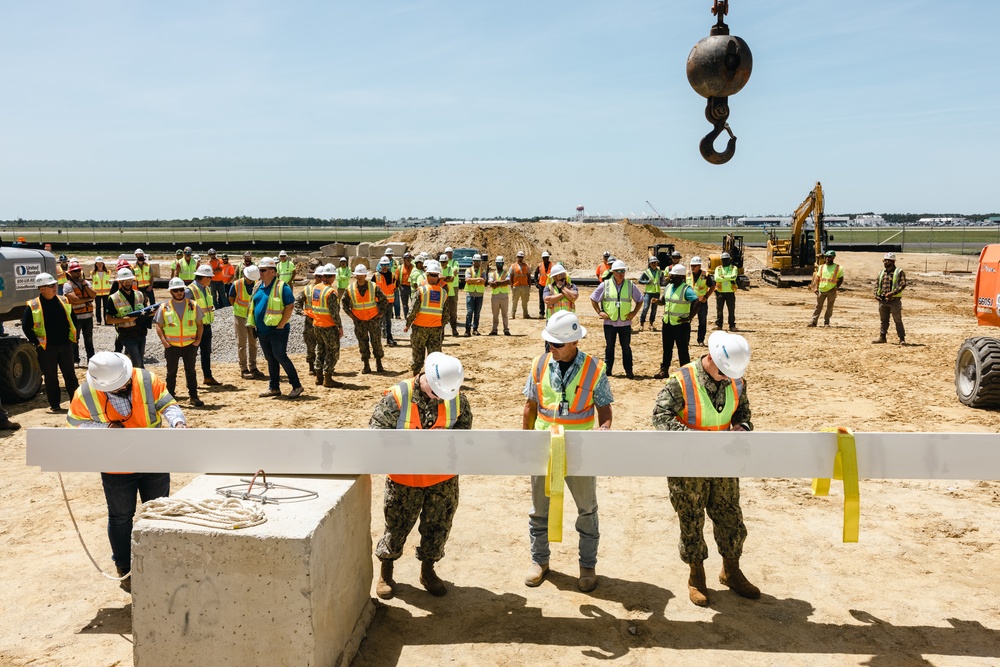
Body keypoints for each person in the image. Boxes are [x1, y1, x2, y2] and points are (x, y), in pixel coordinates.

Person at [652, 331, 760, 606]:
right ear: (710, 358)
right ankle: (696, 575)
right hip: (688, 465)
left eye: (730, 374)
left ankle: (730, 571)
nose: (727, 378)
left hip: (723, 462)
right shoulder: (681, 381)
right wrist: (693, 440)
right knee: (691, 519)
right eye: (723, 372)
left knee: (730, 516)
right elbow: (660, 417)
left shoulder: (736, 378)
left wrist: (742, 427)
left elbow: (743, 413)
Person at [67, 351, 187, 593]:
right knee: (121, 517)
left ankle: (159, 563)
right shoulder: (85, 394)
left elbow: (167, 404)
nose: (121, 389)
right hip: (116, 466)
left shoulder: (145, 379)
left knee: (158, 513)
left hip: (154, 459)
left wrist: (178, 422)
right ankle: (125, 568)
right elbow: (75, 423)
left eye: (122, 385)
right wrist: (104, 428)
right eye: (114, 388)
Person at [523, 311, 613, 592]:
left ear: (575, 341)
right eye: (549, 342)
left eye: (557, 344)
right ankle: (540, 561)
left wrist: (605, 430)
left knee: (587, 510)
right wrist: (525, 443)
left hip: (580, 451)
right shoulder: (539, 364)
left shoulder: (595, 369)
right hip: (544, 448)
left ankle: (587, 565)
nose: (551, 348)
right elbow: (530, 407)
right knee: (539, 510)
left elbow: (605, 408)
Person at [370, 352, 471, 599]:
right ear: (426, 377)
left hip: (442, 481)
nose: (440, 398)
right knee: (396, 528)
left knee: (438, 528)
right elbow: (375, 434)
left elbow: (465, 431)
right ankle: (387, 572)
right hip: (405, 481)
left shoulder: (456, 397)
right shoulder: (397, 396)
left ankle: (428, 571)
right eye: (436, 393)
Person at [247, 258, 304, 398]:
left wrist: (281, 325)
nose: (259, 272)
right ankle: (274, 387)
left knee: (280, 356)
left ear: (272, 272)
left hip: (277, 330)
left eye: (262, 270)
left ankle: (296, 386)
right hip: (262, 330)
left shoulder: (282, 287)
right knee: (270, 358)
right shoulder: (258, 286)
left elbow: (290, 306)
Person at [22, 272, 79, 413]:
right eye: (50, 285)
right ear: (42, 289)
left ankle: (77, 404)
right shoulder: (33, 306)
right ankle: (55, 405)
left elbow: (73, 319)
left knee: (71, 376)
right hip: (47, 348)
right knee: (51, 378)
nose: (54, 287)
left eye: (54, 285)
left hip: (65, 345)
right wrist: (36, 343)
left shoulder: (63, 301)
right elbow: (26, 327)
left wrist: (71, 339)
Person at [154, 277, 205, 407]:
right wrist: (164, 341)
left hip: (190, 345)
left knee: (191, 372)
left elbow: (200, 324)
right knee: (171, 373)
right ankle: (170, 398)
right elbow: (158, 325)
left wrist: (198, 340)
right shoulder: (164, 307)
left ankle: (194, 397)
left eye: (181, 290)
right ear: (171, 292)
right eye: (176, 290)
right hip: (172, 346)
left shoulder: (193, 305)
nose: (179, 292)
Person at [589, 260, 642, 378]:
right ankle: (608, 370)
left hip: (625, 323)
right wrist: (599, 312)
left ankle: (629, 371)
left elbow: (640, 299)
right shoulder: (605, 285)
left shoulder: (630, 285)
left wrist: (634, 312)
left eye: (623, 271)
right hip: (609, 323)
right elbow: (593, 298)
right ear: (613, 272)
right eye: (618, 271)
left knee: (626, 348)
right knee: (609, 347)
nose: (621, 273)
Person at [655, 264, 701, 379]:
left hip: (681, 325)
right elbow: (664, 301)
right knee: (667, 349)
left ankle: (686, 374)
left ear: (680, 277)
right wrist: (657, 302)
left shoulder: (686, 289)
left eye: (674, 276)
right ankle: (664, 370)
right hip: (668, 323)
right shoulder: (669, 287)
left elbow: (697, 302)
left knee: (683, 350)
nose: (670, 277)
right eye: (671, 275)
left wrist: (689, 317)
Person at [404, 260, 447, 375]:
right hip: (436, 329)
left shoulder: (421, 291)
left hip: (420, 328)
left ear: (427, 274)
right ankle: (433, 380)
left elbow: (413, 310)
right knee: (434, 357)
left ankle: (416, 379)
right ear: (438, 276)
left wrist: (408, 324)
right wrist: (440, 326)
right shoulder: (443, 293)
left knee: (418, 355)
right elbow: (446, 314)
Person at [343, 264, 388, 373]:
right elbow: (344, 303)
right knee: (363, 343)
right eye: (357, 275)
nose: (359, 277)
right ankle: (366, 365)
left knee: (376, 341)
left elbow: (384, 300)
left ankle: (379, 364)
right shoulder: (350, 289)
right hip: (359, 321)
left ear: (365, 275)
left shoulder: (373, 286)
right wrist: (351, 315)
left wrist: (381, 313)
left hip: (373, 319)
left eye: (361, 275)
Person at [106, 268, 150, 369]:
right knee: (138, 363)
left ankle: (134, 380)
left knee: (139, 360)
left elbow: (144, 312)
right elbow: (108, 319)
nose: (127, 283)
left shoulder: (139, 295)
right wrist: (124, 320)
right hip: (127, 335)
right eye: (124, 281)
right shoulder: (113, 298)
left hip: (141, 333)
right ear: (120, 282)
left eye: (129, 280)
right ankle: (139, 381)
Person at [229, 264, 265, 380]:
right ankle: (243, 368)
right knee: (242, 343)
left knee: (253, 342)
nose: (251, 281)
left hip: (252, 317)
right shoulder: (237, 284)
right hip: (240, 316)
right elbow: (231, 299)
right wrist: (238, 309)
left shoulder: (258, 284)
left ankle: (253, 367)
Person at [187, 265, 220, 386]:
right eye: (210, 277)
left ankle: (208, 377)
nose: (211, 279)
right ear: (204, 277)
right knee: (191, 355)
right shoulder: (190, 290)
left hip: (206, 326)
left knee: (206, 353)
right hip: (195, 328)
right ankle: (191, 381)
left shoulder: (206, 288)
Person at [311, 263, 343, 387]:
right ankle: (327, 378)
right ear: (333, 276)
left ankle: (319, 377)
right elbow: (334, 313)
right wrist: (339, 327)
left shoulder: (316, 288)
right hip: (328, 326)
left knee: (320, 349)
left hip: (316, 324)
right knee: (332, 351)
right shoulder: (331, 292)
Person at [63, 260, 97, 367]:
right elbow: (74, 300)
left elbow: (93, 295)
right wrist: (87, 300)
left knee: (89, 340)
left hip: (88, 316)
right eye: (74, 271)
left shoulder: (86, 283)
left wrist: (85, 286)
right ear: (70, 273)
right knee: (74, 340)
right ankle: (75, 360)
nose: (77, 273)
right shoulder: (67, 285)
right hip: (75, 317)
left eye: (78, 271)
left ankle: (91, 360)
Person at [873, 252, 906, 344]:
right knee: (883, 320)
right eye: (884, 260)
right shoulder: (881, 273)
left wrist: (892, 293)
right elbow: (877, 284)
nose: (885, 262)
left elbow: (903, 284)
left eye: (887, 261)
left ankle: (902, 338)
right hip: (883, 300)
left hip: (894, 300)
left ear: (893, 262)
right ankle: (882, 337)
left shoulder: (899, 272)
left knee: (897, 320)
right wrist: (876, 295)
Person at [295, 265, 321, 374]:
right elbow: (297, 302)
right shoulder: (308, 289)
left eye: (323, 276)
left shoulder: (327, 290)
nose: (320, 278)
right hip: (310, 321)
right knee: (310, 343)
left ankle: (320, 365)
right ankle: (311, 365)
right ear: (315, 276)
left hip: (322, 321)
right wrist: (301, 312)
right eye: (319, 276)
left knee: (322, 344)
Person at [810, 250, 845, 327]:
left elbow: (841, 278)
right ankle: (813, 322)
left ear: (833, 257)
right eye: (826, 257)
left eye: (829, 257)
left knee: (829, 307)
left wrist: (836, 287)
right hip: (821, 290)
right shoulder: (821, 267)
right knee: (818, 306)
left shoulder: (838, 268)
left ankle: (826, 322)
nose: (827, 258)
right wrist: (815, 288)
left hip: (831, 290)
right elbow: (817, 278)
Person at [687, 257, 716, 346]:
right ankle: (686, 340)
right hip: (689, 302)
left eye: (694, 266)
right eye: (691, 266)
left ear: (699, 266)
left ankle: (700, 340)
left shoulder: (705, 275)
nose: (692, 268)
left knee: (702, 322)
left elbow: (712, 287)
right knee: (687, 321)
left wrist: (706, 297)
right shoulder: (687, 274)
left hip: (701, 302)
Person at [374, 257, 398, 346]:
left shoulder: (392, 276)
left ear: (389, 265)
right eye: (383, 265)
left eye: (386, 265)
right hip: (379, 302)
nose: (384, 267)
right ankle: (377, 340)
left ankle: (389, 338)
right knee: (378, 321)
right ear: (380, 265)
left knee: (388, 321)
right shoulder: (376, 276)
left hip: (389, 302)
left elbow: (395, 287)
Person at [637, 256, 664, 332]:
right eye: (652, 263)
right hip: (648, 293)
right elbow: (640, 281)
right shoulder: (646, 272)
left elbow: (663, 282)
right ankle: (642, 324)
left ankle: (651, 324)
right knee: (645, 308)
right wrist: (647, 282)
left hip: (656, 293)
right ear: (650, 264)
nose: (654, 264)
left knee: (654, 309)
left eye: (655, 262)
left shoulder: (660, 272)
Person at [714, 251, 739, 331]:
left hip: (730, 292)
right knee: (719, 310)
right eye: (723, 259)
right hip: (720, 292)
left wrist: (723, 277)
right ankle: (719, 325)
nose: (725, 261)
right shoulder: (718, 269)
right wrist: (728, 277)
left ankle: (732, 325)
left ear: (729, 259)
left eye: (726, 259)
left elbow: (734, 277)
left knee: (731, 310)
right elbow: (716, 279)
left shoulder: (734, 268)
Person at [464, 254, 487, 336]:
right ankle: (467, 330)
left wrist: (472, 281)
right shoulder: (468, 270)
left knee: (477, 313)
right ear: (473, 262)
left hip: (479, 294)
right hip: (470, 293)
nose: (476, 262)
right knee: (469, 312)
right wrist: (478, 279)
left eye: (478, 261)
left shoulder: (482, 271)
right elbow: (467, 280)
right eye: (475, 261)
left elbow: (484, 281)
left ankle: (475, 329)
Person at [488, 255, 511, 336]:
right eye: (498, 263)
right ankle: (494, 329)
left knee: (505, 314)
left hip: (504, 296)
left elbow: (508, 282)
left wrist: (497, 282)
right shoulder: (492, 274)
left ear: (503, 264)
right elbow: (491, 284)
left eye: (501, 263)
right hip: (495, 296)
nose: (499, 265)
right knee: (495, 314)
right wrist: (502, 282)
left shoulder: (506, 273)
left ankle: (506, 329)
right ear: (496, 264)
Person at [441, 248, 460, 336]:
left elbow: (452, 279)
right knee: (442, 313)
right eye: (441, 262)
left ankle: (454, 329)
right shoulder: (438, 269)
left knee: (453, 312)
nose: (442, 263)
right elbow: (438, 279)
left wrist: (443, 279)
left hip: (451, 293)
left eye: (444, 262)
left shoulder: (451, 267)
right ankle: (442, 331)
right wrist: (446, 278)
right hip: (441, 294)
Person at [510, 250, 532, 319]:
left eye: (521, 257)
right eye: (519, 257)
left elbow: (529, 276)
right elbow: (511, 277)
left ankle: (525, 314)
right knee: (514, 301)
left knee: (525, 301)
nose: (520, 258)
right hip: (516, 286)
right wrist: (512, 286)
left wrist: (529, 286)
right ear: (517, 257)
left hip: (525, 286)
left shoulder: (526, 266)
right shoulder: (513, 266)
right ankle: (512, 314)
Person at [91, 257, 111, 325]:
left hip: (106, 293)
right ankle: (98, 320)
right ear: (96, 264)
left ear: (103, 264)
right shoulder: (93, 273)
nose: (100, 265)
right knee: (98, 307)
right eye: (98, 263)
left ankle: (106, 320)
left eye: (101, 263)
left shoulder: (108, 272)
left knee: (106, 307)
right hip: (97, 293)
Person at [533, 251, 553, 318]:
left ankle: (550, 313)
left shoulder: (552, 265)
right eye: (544, 258)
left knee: (550, 299)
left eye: (546, 258)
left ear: (548, 258)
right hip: (541, 285)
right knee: (541, 300)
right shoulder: (540, 265)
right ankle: (541, 313)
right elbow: (535, 274)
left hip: (550, 285)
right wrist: (536, 282)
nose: (545, 259)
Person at [396, 252, 414, 319]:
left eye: (409, 258)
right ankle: (406, 316)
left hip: (412, 287)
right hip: (403, 287)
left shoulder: (413, 268)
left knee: (413, 303)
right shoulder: (400, 268)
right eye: (407, 258)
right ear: (404, 259)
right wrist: (399, 287)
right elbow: (396, 278)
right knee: (404, 304)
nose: (408, 260)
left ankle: (412, 316)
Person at [385, 248, 401, 320]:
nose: (389, 256)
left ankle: (397, 315)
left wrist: (398, 283)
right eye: (388, 255)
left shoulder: (396, 263)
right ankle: (390, 314)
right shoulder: (382, 262)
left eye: (390, 255)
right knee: (388, 300)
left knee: (396, 300)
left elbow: (399, 272)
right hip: (386, 285)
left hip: (394, 283)